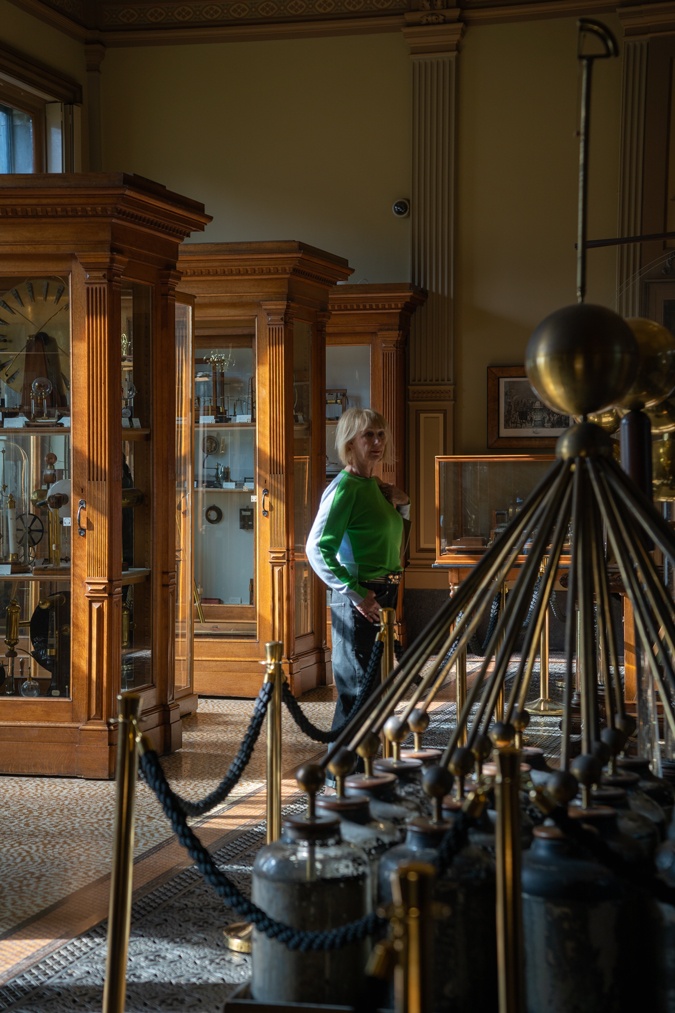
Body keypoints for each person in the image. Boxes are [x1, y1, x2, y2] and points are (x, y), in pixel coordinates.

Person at [306, 407, 410, 740]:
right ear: (351, 441)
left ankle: (369, 775)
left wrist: (403, 505)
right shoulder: (346, 488)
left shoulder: (376, 487)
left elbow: (396, 546)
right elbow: (316, 549)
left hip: (383, 595)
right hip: (358, 599)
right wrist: (357, 594)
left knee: (376, 692)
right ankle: (341, 779)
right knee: (358, 694)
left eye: (381, 434)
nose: (377, 441)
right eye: (368, 435)